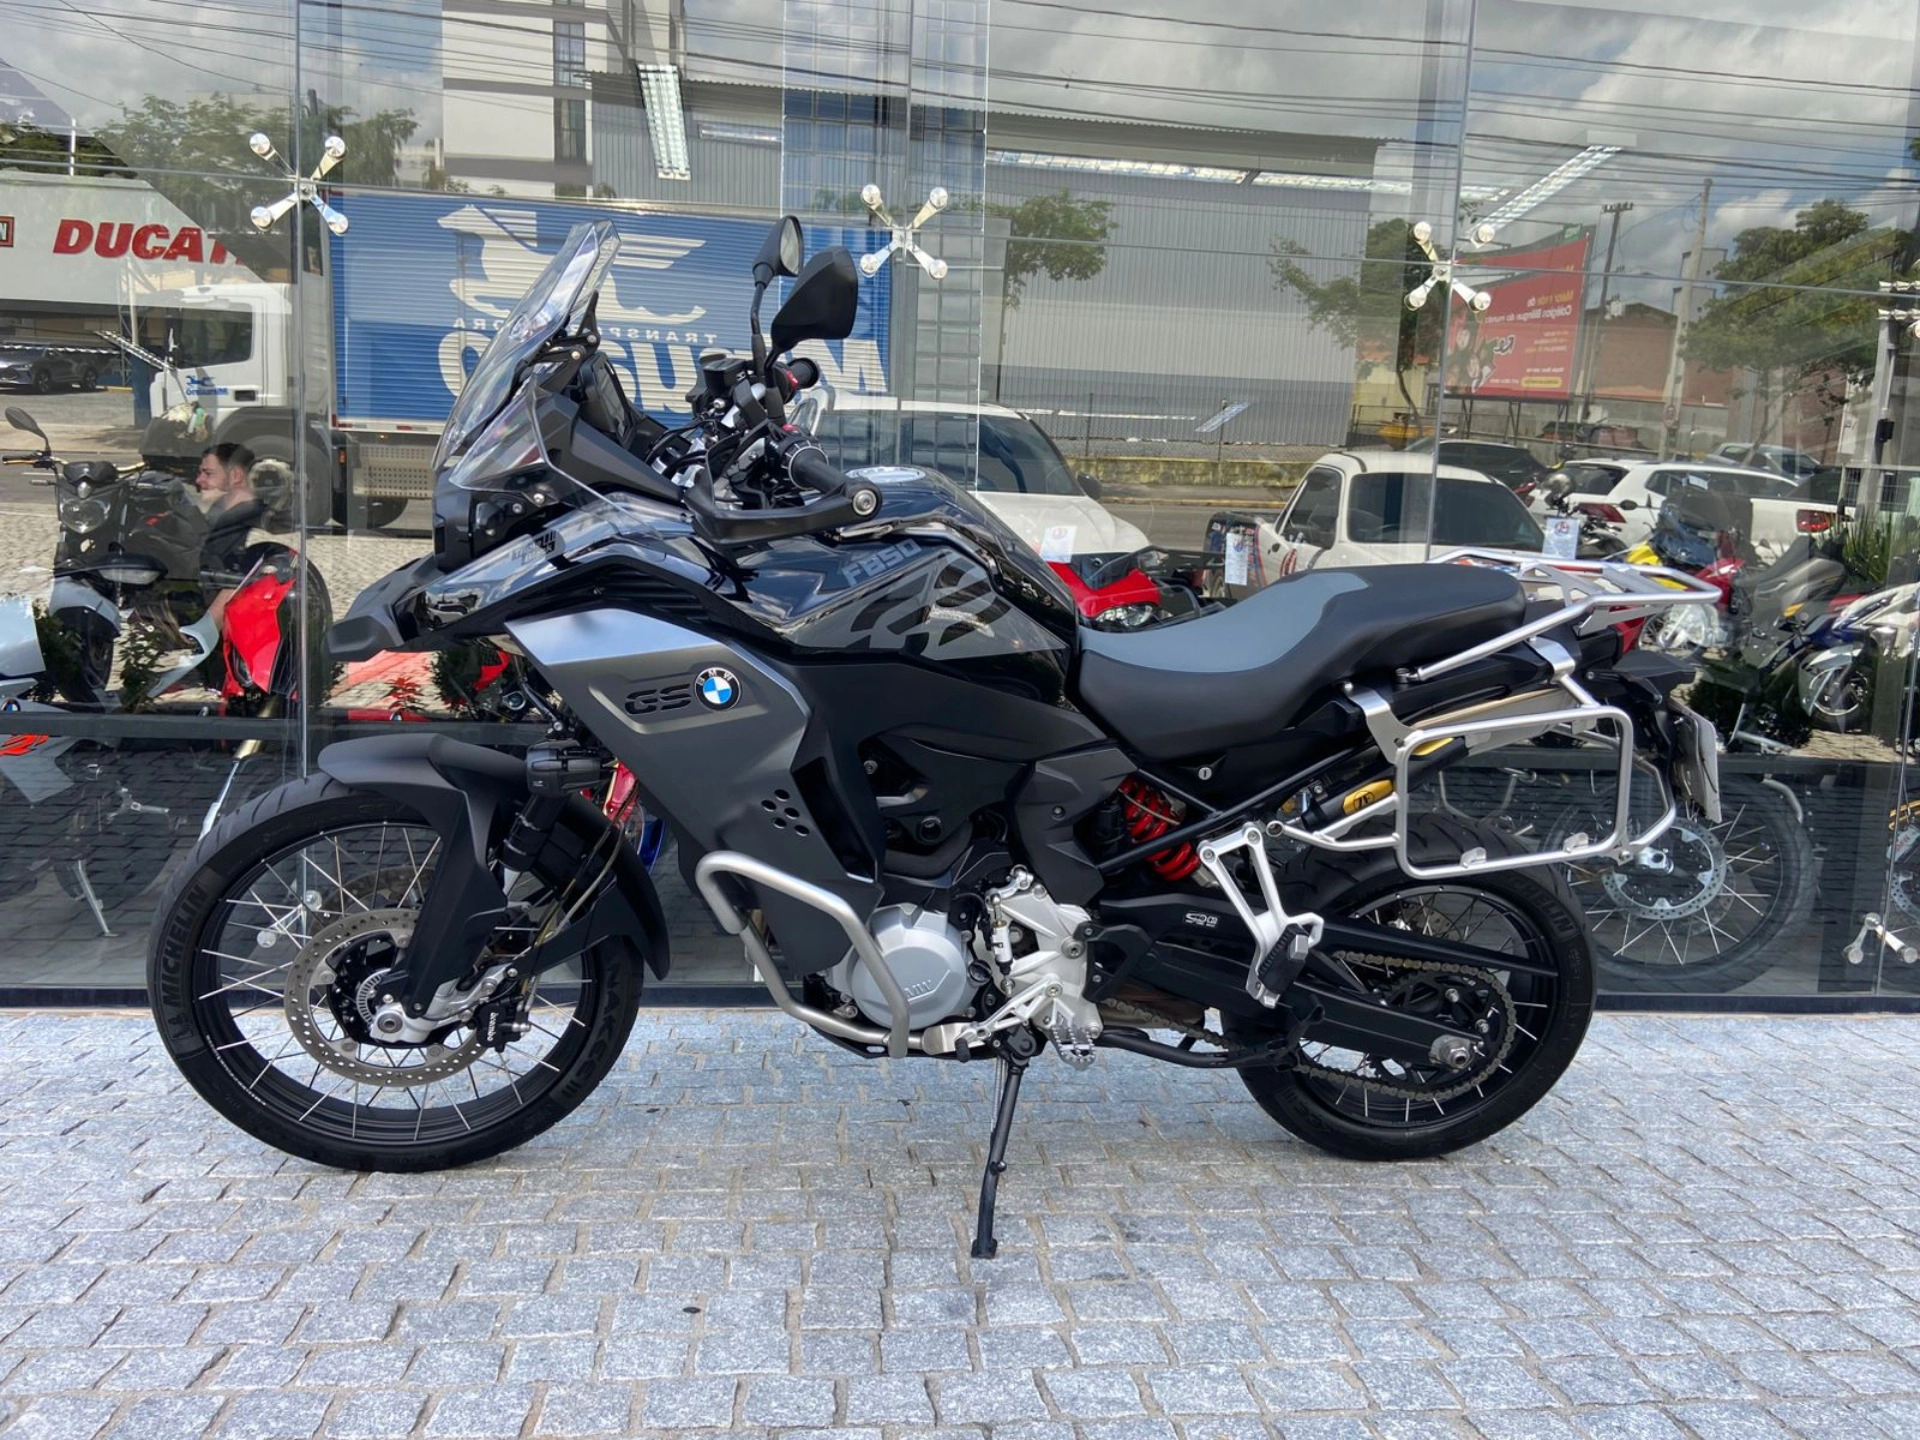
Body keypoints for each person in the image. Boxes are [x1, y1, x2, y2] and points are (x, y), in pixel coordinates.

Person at [195, 442, 262, 624]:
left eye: (208, 473)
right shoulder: (224, 519)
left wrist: (203, 631)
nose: (199, 480)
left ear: (236, 476)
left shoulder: (251, 528)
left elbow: (236, 584)